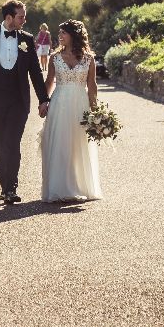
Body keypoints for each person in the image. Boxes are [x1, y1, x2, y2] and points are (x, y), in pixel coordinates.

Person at [0, 0, 52, 204]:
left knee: (12, 142)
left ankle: (11, 188)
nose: (24, 20)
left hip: (18, 100)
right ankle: (4, 184)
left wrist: (43, 99)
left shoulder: (27, 39)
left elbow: (35, 72)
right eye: (21, 17)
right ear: (9, 18)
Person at [39, 19, 103, 202]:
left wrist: (95, 111)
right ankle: (59, 188)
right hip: (59, 104)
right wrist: (43, 102)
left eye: (63, 33)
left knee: (78, 144)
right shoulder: (54, 58)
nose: (59, 37)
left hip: (80, 105)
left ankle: (80, 186)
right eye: (59, 34)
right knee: (60, 144)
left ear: (74, 35)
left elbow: (92, 85)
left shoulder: (89, 59)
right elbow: (49, 82)